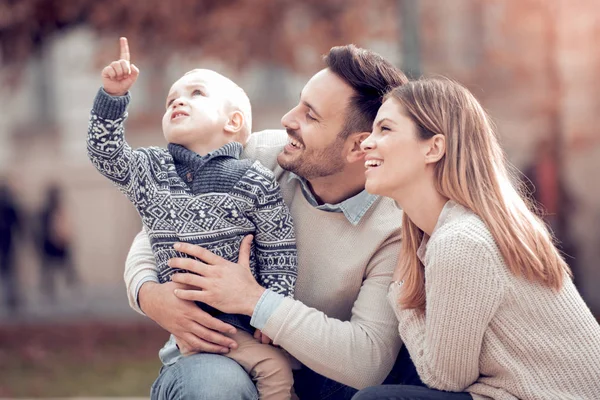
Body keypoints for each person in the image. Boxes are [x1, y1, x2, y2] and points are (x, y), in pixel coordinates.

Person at [124, 45, 415, 399]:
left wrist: (255, 300)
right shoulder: (259, 155)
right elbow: (158, 222)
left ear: (358, 147)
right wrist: (149, 294)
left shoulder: (394, 228)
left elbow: (366, 359)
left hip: (326, 378)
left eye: (310, 115)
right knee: (215, 386)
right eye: (298, 103)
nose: (288, 119)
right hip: (219, 356)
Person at [354, 78, 600, 400]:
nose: (366, 143)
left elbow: (446, 378)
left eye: (385, 129)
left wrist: (401, 295)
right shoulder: (454, 232)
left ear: (434, 148)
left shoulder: (461, 242)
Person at [87, 37, 298, 399]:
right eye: (170, 100)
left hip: (244, 329)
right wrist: (113, 97)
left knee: (278, 373)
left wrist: (274, 309)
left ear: (233, 121)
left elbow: (278, 246)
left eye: (196, 93)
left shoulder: (254, 178)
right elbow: (105, 154)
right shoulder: (150, 170)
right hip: (188, 330)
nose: (178, 101)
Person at [37, 184, 79, 303]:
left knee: (67, 271)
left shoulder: (58, 209)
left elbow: (65, 227)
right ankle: (50, 295)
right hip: (51, 245)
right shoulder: (46, 210)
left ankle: (71, 293)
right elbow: (45, 229)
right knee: (50, 271)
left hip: (61, 244)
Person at [0, 181, 22, 313]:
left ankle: (12, 299)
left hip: (8, 244)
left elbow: (18, 224)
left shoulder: (10, 207)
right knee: (9, 273)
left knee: (10, 273)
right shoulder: (9, 206)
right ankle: (11, 298)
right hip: (7, 244)